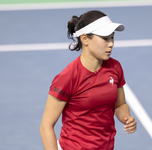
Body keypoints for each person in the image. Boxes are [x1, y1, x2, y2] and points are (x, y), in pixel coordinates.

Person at [40, 10, 137, 150]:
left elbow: (119, 104)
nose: (111, 44)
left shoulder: (115, 67)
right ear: (85, 39)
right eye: (105, 38)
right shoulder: (68, 77)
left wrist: (126, 118)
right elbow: (46, 126)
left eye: (112, 37)